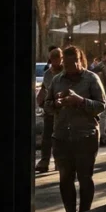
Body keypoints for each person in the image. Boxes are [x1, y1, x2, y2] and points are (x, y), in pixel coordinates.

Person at [45, 45, 106, 212]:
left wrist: (79, 100)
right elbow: (47, 106)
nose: (71, 66)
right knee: (65, 178)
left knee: (85, 177)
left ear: (80, 61)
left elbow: (101, 106)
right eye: (67, 63)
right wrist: (57, 103)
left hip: (85, 136)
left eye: (74, 62)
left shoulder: (91, 79)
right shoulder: (57, 80)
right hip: (62, 137)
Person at [35, 46, 63, 174]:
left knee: (60, 138)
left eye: (58, 58)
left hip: (63, 111)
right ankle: (44, 161)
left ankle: (59, 162)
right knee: (47, 137)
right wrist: (41, 99)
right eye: (53, 59)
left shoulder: (66, 72)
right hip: (50, 109)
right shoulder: (47, 73)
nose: (56, 61)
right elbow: (44, 88)